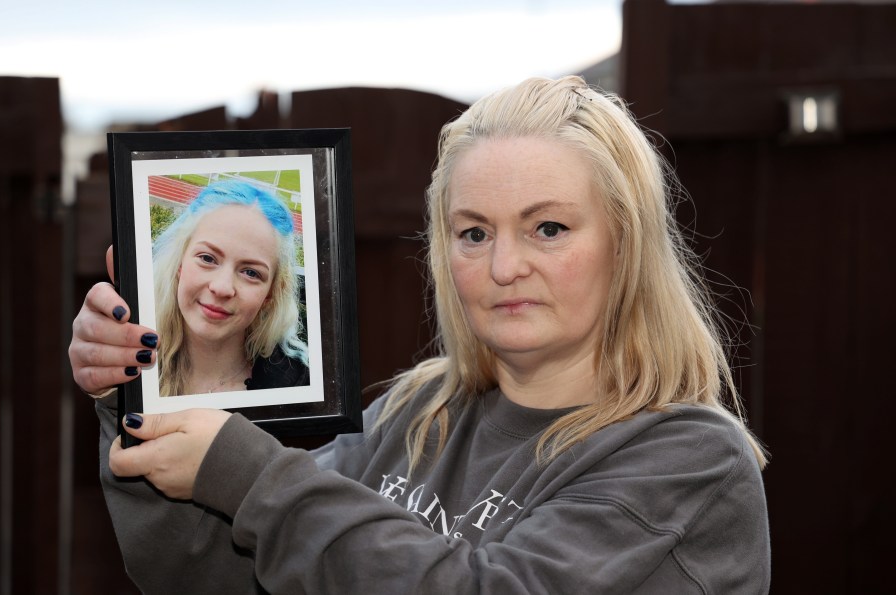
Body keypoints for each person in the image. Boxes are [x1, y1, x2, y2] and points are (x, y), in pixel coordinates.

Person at [69, 76, 770, 594]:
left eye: (547, 228)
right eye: (473, 232)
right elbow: (216, 572)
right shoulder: (417, 414)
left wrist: (251, 474)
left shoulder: (689, 462)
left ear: (628, 244)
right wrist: (140, 394)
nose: (503, 266)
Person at [85, 179, 309, 398]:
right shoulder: (130, 360)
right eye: (207, 258)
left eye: (251, 272)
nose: (222, 288)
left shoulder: (300, 389)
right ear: (180, 264)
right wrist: (107, 393)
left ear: (270, 293)